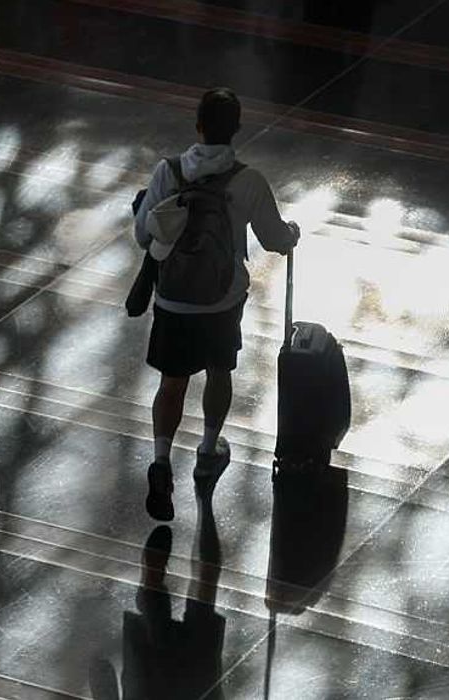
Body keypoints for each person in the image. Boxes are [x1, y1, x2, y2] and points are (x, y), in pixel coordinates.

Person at [133, 87, 300, 521]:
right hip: (222, 300)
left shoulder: (167, 173)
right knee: (219, 371)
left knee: (172, 382)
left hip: (173, 299)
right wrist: (292, 235)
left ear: (198, 124)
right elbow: (274, 240)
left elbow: (143, 236)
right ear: (236, 130)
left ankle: (161, 461)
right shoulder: (248, 182)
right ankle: (208, 450)